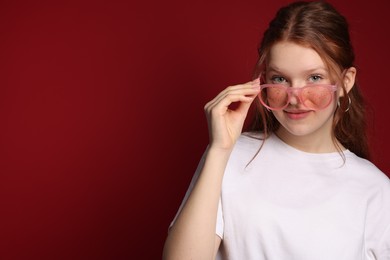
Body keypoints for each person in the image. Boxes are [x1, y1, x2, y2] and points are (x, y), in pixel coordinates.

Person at [162, 1, 390, 259]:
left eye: (314, 78)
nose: (294, 98)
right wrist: (219, 149)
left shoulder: (376, 191)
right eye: (280, 79)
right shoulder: (229, 156)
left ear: (346, 82)